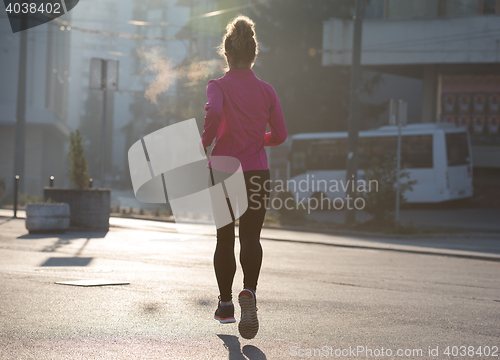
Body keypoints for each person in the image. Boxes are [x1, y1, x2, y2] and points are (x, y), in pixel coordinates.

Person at [200, 15, 287, 340]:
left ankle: (225, 305)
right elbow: (280, 134)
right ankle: (249, 291)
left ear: (226, 53)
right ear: (253, 55)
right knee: (251, 237)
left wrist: (204, 143)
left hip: (222, 168)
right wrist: (257, 139)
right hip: (256, 171)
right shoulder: (266, 90)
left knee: (224, 237)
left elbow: (216, 113)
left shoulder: (217, 86)